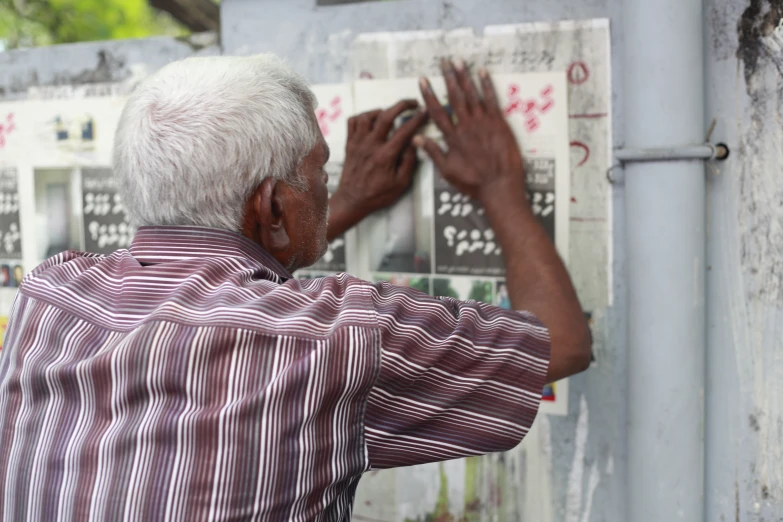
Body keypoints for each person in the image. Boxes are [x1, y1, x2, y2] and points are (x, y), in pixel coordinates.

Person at [0, 55, 591, 521]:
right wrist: (498, 188)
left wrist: (340, 205)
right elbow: (561, 341)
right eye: (321, 172)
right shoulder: (338, 338)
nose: (330, 184)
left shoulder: (50, 296)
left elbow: (212, 293)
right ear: (276, 205)